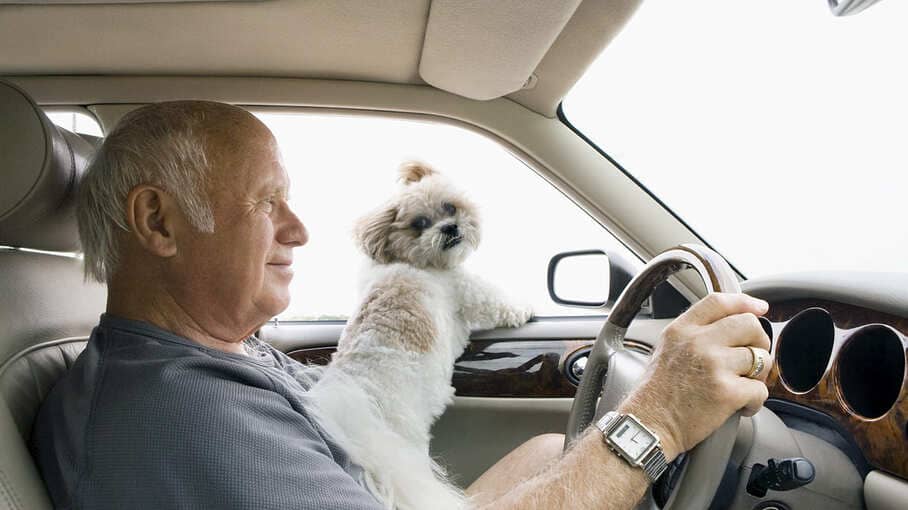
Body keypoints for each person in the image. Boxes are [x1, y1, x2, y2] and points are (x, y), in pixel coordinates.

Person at [31, 101, 772, 510]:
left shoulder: (208, 354)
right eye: (268, 203)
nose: (299, 230)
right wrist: (658, 420)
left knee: (553, 452)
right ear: (159, 222)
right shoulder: (179, 412)